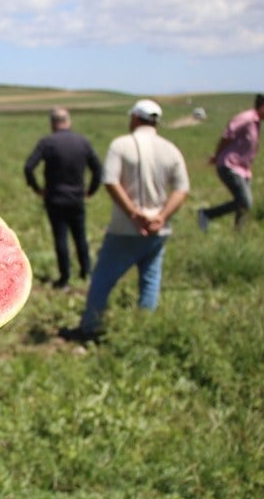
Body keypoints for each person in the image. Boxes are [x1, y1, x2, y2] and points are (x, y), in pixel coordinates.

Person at [60, 99, 190, 342]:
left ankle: (90, 328)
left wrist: (133, 213)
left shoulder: (121, 145)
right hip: (158, 230)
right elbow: (182, 189)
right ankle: (143, 332)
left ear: (135, 118)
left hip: (124, 229)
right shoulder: (171, 149)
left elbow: (110, 181)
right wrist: (161, 217)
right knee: (150, 279)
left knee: (102, 279)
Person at [22, 107, 102, 289]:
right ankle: (85, 272)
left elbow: (28, 167)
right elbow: (97, 169)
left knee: (60, 238)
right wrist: (91, 190)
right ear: (69, 121)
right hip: (76, 197)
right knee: (80, 236)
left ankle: (64, 277)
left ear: (52, 123)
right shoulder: (82, 142)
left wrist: (36, 188)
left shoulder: (47, 142)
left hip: (54, 198)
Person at [197, 94, 264, 231]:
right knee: (246, 202)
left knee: (243, 204)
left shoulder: (256, 122)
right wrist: (217, 155)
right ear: (263, 107)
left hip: (244, 169)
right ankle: (206, 214)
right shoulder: (246, 118)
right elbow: (227, 136)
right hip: (229, 165)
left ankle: (239, 235)